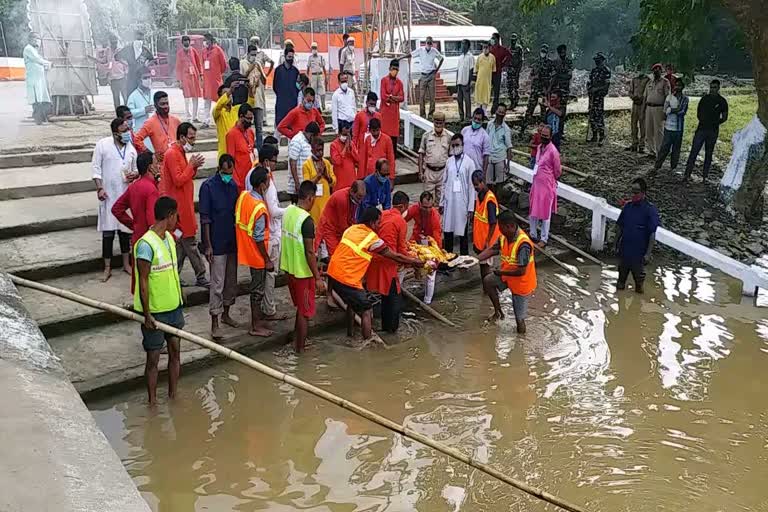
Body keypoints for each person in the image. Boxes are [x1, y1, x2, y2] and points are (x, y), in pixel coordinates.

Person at [327, 207, 421, 340]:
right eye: (378, 222)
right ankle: (369, 343)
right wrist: (414, 261)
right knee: (366, 309)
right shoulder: (372, 239)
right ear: (372, 223)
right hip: (348, 278)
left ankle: (350, 334)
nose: (379, 225)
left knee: (352, 304)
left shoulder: (351, 229)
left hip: (333, 274)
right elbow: (394, 256)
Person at [134, 196, 185, 406]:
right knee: (153, 359)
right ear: (170, 215)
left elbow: (171, 271)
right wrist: (147, 315)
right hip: (154, 312)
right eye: (176, 216)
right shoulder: (145, 245)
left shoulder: (170, 239)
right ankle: (153, 402)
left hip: (174, 307)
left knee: (175, 352)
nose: (177, 220)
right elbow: (143, 282)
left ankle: (173, 396)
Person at [161, 122, 209, 287]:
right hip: (179, 210)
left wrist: (193, 168)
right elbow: (179, 180)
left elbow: (185, 176)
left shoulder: (179, 152)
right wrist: (192, 166)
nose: (193, 141)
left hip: (183, 207)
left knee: (181, 244)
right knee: (189, 242)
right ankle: (201, 274)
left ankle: (174, 274)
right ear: (181, 137)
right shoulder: (172, 154)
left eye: (194, 137)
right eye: (191, 137)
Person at [199, 154, 240, 339]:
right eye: (226, 173)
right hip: (216, 241)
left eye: (231, 173)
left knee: (230, 281)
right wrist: (208, 246)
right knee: (217, 283)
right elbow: (205, 219)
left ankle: (226, 314)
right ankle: (214, 321)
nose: (228, 176)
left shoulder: (233, 187)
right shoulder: (208, 187)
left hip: (232, 240)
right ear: (219, 169)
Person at [93, 118, 138, 282]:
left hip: (125, 196)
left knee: (125, 232)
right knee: (108, 233)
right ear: (115, 132)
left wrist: (136, 174)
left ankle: (127, 264)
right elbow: (96, 169)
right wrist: (100, 188)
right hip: (108, 195)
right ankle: (107, 268)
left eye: (128, 129)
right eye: (124, 130)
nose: (127, 132)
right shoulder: (102, 145)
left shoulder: (131, 149)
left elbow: (136, 169)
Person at [280, 180, 323, 353]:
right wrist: (318, 278)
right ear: (310, 198)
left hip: (289, 268)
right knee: (305, 312)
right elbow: (310, 253)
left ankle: (298, 340)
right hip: (303, 273)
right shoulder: (307, 221)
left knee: (300, 307)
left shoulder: (288, 211)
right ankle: (300, 349)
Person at [477, 211, 536, 331]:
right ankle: (498, 312)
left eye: (501, 227)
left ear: (510, 226)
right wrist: (474, 260)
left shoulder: (523, 245)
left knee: (519, 319)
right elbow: (493, 249)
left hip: (521, 283)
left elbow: (521, 271)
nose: (499, 230)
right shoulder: (504, 237)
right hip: (507, 275)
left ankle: (521, 342)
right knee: (488, 281)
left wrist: (500, 272)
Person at [236, 167, 274, 337]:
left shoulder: (244, 196)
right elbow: (258, 237)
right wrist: (267, 259)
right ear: (261, 185)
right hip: (256, 254)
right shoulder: (259, 208)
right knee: (257, 291)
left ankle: (258, 321)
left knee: (256, 289)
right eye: (267, 181)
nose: (269, 183)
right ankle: (255, 326)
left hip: (246, 249)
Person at [366, 191, 411, 332]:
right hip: (388, 262)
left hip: (374, 259)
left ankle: (385, 327)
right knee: (393, 298)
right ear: (403, 206)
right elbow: (402, 250)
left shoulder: (383, 214)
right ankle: (392, 331)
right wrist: (413, 262)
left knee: (385, 296)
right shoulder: (401, 222)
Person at [256, 143, 286, 321]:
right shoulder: (267, 180)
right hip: (270, 233)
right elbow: (274, 211)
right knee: (270, 275)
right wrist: (290, 211)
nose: (276, 164)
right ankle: (269, 309)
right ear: (267, 161)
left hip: (266, 231)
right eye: (275, 161)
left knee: (266, 275)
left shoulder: (255, 175)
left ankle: (265, 305)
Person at [616, 177, 659, 294]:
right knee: (620, 282)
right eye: (632, 192)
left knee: (639, 285)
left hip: (639, 254)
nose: (633, 195)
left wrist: (648, 254)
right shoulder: (627, 207)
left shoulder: (650, 210)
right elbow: (620, 227)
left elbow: (652, 234)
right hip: (625, 250)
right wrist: (615, 244)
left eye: (636, 192)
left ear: (643, 193)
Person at [112, 151, 161, 251]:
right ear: (150, 167)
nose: (159, 166)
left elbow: (116, 209)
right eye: (156, 163)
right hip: (149, 241)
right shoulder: (151, 189)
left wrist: (133, 224)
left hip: (137, 237)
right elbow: (152, 221)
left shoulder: (133, 186)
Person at [685, 79, 729, 181]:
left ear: (718, 88)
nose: (712, 90)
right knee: (694, 152)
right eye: (711, 87)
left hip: (713, 130)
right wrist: (704, 121)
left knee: (709, 154)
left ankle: (705, 176)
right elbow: (698, 113)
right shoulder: (704, 99)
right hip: (701, 129)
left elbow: (725, 117)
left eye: (714, 88)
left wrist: (716, 123)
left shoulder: (722, 101)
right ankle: (687, 174)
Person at [441, 133, 476, 256]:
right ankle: (448, 257)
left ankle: (464, 258)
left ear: (463, 145)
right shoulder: (449, 162)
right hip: (449, 202)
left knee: (463, 232)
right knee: (448, 230)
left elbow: (472, 187)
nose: (455, 147)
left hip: (463, 202)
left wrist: (471, 207)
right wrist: (441, 202)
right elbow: (444, 183)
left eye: (458, 145)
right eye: (453, 145)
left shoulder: (469, 163)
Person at [405, 191, 442, 304]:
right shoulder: (414, 209)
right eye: (425, 207)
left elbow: (437, 241)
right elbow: (401, 220)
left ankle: (427, 301)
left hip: (430, 244)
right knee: (402, 262)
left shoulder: (435, 217)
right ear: (419, 204)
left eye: (430, 207)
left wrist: (437, 259)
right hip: (415, 240)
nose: (428, 210)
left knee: (431, 272)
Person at [528, 125, 561, 246]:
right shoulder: (539, 148)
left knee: (546, 212)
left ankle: (544, 238)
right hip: (536, 184)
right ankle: (532, 234)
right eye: (542, 135)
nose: (544, 137)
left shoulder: (553, 151)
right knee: (533, 208)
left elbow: (557, 171)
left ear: (551, 137)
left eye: (546, 136)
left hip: (547, 185)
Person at [316, 180, 367, 258]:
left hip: (338, 227)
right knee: (335, 255)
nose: (360, 201)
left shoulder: (353, 198)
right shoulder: (341, 199)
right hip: (330, 227)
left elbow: (352, 218)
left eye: (362, 198)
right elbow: (343, 225)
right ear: (352, 191)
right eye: (358, 197)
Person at [134, 91, 182, 162]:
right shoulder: (150, 123)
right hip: (163, 164)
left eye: (167, 103)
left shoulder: (175, 120)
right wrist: (151, 154)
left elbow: (184, 137)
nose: (166, 106)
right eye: (162, 104)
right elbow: (136, 139)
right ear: (155, 105)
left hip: (178, 160)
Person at [654, 78, 689, 173]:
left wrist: (672, 110)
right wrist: (674, 109)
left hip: (678, 128)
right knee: (664, 148)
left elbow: (682, 111)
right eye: (676, 85)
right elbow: (665, 110)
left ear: (683, 87)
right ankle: (657, 166)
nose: (678, 87)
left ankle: (673, 167)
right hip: (668, 127)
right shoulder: (669, 97)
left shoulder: (685, 99)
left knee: (676, 149)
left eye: (680, 85)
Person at [418, 111, 451, 205]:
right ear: (433, 122)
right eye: (436, 122)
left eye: (440, 123)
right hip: (429, 172)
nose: (438, 125)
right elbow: (421, 154)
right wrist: (420, 172)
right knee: (427, 200)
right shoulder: (426, 136)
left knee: (442, 201)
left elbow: (451, 156)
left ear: (444, 123)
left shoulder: (448, 137)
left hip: (442, 172)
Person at [472, 171, 501, 280]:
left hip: (487, 241)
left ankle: (488, 289)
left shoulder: (490, 200)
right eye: (474, 184)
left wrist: (488, 241)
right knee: (483, 266)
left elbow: (493, 223)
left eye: (476, 184)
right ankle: (486, 289)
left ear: (483, 182)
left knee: (486, 268)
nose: (475, 187)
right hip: (480, 240)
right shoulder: (480, 195)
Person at [521, 44, 553, 136]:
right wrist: (535, 77)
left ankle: (543, 132)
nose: (543, 53)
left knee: (543, 112)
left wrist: (548, 88)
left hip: (543, 91)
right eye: (542, 51)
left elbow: (552, 77)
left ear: (547, 52)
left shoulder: (550, 64)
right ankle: (523, 129)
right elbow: (531, 76)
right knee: (530, 110)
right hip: (535, 90)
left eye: (545, 51)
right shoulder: (536, 63)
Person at [302, 137, 336, 223]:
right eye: (317, 150)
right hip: (314, 204)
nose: (320, 153)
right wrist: (318, 176)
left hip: (325, 201)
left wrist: (326, 176)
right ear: (312, 150)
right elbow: (307, 185)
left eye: (322, 150)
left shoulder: (327, 163)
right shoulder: (306, 165)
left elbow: (334, 182)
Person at [288, 121, 321, 203]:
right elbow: (292, 162)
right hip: (298, 186)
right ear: (311, 135)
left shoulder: (309, 142)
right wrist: (297, 183)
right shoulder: (297, 141)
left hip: (306, 184)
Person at [411, 36, 444, 119]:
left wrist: (436, 70)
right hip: (423, 75)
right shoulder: (421, 50)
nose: (429, 44)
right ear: (425, 42)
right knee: (422, 96)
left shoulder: (434, 51)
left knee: (432, 96)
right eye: (427, 42)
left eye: (430, 42)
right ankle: (422, 114)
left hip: (431, 75)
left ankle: (431, 114)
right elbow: (411, 54)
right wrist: (401, 58)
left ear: (432, 43)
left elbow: (441, 59)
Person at [239, 46, 266, 148]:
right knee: (246, 126)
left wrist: (259, 68)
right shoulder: (243, 63)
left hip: (258, 100)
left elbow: (264, 81)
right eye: (252, 54)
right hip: (248, 100)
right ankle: (247, 147)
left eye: (255, 55)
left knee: (259, 128)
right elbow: (243, 79)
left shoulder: (258, 63)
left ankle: (260, 150)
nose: (254, 57)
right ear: (248, 54)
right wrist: (250, 69)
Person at [644, 63, 671, 159]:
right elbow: (645, 97)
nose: (656, 71)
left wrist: (665, 111)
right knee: (649, 130)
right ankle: (651, 151)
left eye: (658, 69)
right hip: (649, 108)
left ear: (661, 71)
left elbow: (668, 98)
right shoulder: (649, 83)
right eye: (655, 70)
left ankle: (660, 152)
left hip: (659, 108)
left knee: (658, 131)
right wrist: (644, 110)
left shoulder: (665, 82)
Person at [23, 33, 52, 125]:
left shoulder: (34, 50)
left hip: (39, 79)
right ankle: (39, 120)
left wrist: (47, 65)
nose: (37, 42)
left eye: (38, 40)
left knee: (42, 99)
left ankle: (43, 118)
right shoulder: (28, 49)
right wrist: (48, 63)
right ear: (31, 39)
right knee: (36, 100)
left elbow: (40, 60)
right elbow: (38, 60)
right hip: (33, 79)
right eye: (35, 40)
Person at [226, 104, 256, 190]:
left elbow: (252, 153)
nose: (250, 122)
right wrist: (236, 182)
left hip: (251, 177)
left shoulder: (250, 132)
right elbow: (230, 161)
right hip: (239, 180)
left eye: (251, 119)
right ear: (241, 116)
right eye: (248, 119)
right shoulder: (231, 134)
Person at [200, 33, 228, 129]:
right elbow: (202, 64)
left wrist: (217, 73)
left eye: (206, 40)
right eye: (204, 40)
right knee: (206, 101)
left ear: (211, 40)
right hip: (207, 80)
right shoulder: (203, 51)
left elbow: (224, 65)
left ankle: (220, 119)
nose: (205, 42)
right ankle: (206, 121)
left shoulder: (218, 50)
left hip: (215, 80)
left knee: (218, 100)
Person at [175, 35, 203, 122]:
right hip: (185, 77)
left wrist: (201, 75)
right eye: (185, 41)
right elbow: (178, 67)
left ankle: (195, 117)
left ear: (189, 42)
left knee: (195, 96)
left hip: (194, 76)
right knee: (187, 97)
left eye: (188, 41)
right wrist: (179, 80)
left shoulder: (193, 51)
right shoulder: (180, 53)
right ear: (182, 43)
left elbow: (199, 63)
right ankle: (188, 116)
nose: (186, 42)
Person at [117, 30, 153, 96]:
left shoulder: (144, 50)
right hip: (131, 76)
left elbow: (152, 59)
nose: (139, 41)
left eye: (141, 39)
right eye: (138, 39)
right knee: (131, 94)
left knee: (143, 94)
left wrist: (146, 64)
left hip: (142, 76)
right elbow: (117, 57)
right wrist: (125, 63)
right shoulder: (128, 49)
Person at [380, 59, 405, 154]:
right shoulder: (384, 80)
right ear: (389, 68)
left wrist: (391, 97)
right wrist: (394, 98)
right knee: (384, 138)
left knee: (393, 140)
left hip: (394, 116)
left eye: (396, 69)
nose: (395, 71)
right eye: (393, 69)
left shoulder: (400, 83)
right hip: (385, 114)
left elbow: (402, 98)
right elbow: (383, 96)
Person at [485, 103, 513, 189]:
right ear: (495, 111)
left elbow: (509, 147)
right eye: (499, 111)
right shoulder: (489, 124)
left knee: (499, 184)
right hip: (489, 157)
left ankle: (498, 201)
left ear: (505, 114)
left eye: (502, 112)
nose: (500, 114)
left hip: (500, 158)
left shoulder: (506, 129)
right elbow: (485, 140)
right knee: (488, 182)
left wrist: (508, 164)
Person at [274, 47, 300, 133]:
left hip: (292, 103)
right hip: (281, 103)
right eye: (289, 57)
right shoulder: (278, 70)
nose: (291, 59)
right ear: (285, 57)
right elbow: (275, 86)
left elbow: (298, 87)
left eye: (292, 57)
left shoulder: (295, 71)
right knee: (279, 127)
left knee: (292, 128)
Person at [587, 52, 611, 145]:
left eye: (598, 60)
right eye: (596, 60)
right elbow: (589, 82)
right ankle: (594, 135)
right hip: (592, 96)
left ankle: (601, 135)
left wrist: (596, 89)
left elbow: (606, 85)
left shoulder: (606, 70)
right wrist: (589, 90)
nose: (597, 62)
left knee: (599, 115)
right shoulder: (593, 71)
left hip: (599, 96)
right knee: (592, 114)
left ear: (602, 60)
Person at [126, 68, 154, 149]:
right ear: (139, 80)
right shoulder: (133, 96)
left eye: (149, 77)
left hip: (155, 129)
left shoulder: (154, 93)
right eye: (145, 78)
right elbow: (129, 113)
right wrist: (143, 110)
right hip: (141, 130)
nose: (148, 80)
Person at [461, 108, 490, 177]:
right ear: (472, 118)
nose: (476, 121)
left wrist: (484, 174)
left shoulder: (485, 136)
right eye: (475, 118)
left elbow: (486, 156)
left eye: (479, 119)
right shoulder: (465, 130)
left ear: (482, 121)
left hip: (476, 169)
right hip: (463, 167)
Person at [330, 120, 359, 189]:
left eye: (347, 134)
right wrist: (345, 147)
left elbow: (358, 159)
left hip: (351, 179)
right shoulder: (333, 145)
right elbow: (337, 161)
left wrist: (350, 147)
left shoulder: (351, 144)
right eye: (344, 134)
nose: (346, 137)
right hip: (340, 180)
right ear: (339, 133)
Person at [627, 69, 650, 153]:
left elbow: (648, 92)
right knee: (633, 124)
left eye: (641, 69)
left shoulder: (647, 80)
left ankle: (642, 145)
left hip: (643, 104)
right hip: (635, 104)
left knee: (642, 124)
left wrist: (642, 99)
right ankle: (634, 143)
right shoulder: (634, 80)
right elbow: (630, 92)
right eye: (638, 69)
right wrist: (633, 97)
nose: (640, 71)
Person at [553, 44, 573, 136]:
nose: (563, 53)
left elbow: (569, 75)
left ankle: (561, 131)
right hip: (556, 89)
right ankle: (555, 130)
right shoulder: (556, 62)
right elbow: (553, 76)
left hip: (565, 89)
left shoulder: (569, 61)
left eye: (564, 51)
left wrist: (559, 76)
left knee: (563, 111)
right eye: (561, 52)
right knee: (555, 110)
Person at [489, 33, 512, 114]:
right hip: (489, 72)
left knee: (496, 92)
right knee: (487, 91)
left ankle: (494, 108)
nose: (492, 40)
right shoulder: (490, 49)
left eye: (493, 38)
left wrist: (503, 64)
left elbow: (509, 55)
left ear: (497, 39)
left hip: (497, 72)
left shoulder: (502, 49)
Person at [103, 37, 129, 109]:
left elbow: (126, 63)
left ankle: (126, 112)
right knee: (116, 98)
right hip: (113, 78)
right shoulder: (107, 51)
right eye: (112, 43)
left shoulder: (121, 50)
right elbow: (105, 62)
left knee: (125, 97)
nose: (114, 44)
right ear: (110, 42)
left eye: (115, 43)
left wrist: (126, 74)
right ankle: (118, 113)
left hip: (122, 77)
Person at [213, 85, 237, 157]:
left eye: (230, 94)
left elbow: (250, 103)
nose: (229, 96)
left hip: (236, 151)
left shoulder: (236, 110)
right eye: (226, 94)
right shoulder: (217, 112)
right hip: (224, 153)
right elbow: (218, 106)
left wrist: (251, 89)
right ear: (221, 98)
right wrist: (229, 91)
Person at [474, 43, 495, 117]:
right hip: (480, 80)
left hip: (487, 81)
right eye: (484, 48)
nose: (485, 49)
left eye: (486, 48)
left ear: (489, 48)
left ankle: (484, 112)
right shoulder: (479, 57)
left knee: (486, 96)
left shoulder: (492, 57)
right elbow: (476, 69)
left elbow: (493, 70)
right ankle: (477, 112)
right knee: (479, 95)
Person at [456, 39, 474, 122]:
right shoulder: (460, 57)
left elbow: (471, 70)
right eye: (462, 44)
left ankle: (468, 116)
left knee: (467, 100)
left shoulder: (470, 57)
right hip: (459, 81)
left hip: (466, 81)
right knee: (459, 100)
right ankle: (461, 116)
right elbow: (458, 70)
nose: (462, 46)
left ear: (467, 46)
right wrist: (456, 81)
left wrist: (470, 82)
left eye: (464, 44)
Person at [306, 42, 328, 111]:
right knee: (313, 92)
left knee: (322, 92)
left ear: (317, 48)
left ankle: (323, 106)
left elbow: (324, 68)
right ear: (311, 49)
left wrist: (326, 77)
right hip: (313, 76)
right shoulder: (310, 58)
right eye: (313, 48)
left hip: (320, 75)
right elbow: (308, 69)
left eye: (315, 48)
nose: (314, 49)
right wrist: (307, 79)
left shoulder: (321, 57)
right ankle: (314, 107)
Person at [505, 33, 524, 108]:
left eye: (514, 40)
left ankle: (515, 101)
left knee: (514, 87)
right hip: (509, 70)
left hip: (515, 70)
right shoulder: (509, 48)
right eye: (512, 39)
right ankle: (512, 101)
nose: (512, 41)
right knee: (509, 87)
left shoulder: (519, 48)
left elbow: (521, 60)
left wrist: (518, 71)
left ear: (516, 40)